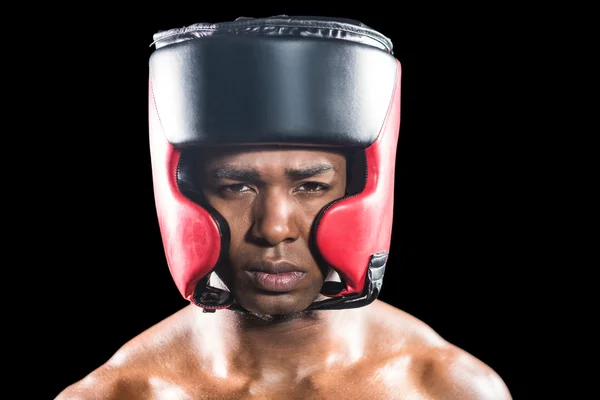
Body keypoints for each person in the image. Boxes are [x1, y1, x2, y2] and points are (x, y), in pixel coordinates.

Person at [56, 15, 512, 399]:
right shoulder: (117, 393)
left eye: (311, 186)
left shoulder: (447, 388)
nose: (273, 229)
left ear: (360, 191)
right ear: (188, 195)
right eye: (236, 187)